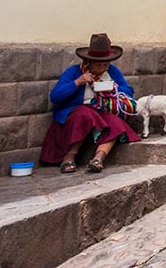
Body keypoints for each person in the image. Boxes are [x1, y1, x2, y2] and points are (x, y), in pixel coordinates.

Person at [40, 33, 140, 174]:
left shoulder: (111, 71)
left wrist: (114, 87)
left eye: (105, 64)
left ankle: (99, 158)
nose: (102, 68)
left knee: (115, 122)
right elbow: (55, 97)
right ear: (89, 62)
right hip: (78, 111)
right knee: (85, 115)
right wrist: (77, 82)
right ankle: (70, 156)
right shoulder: (74, 72)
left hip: (102, 109)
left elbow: (128, 90)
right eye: (98, 65)